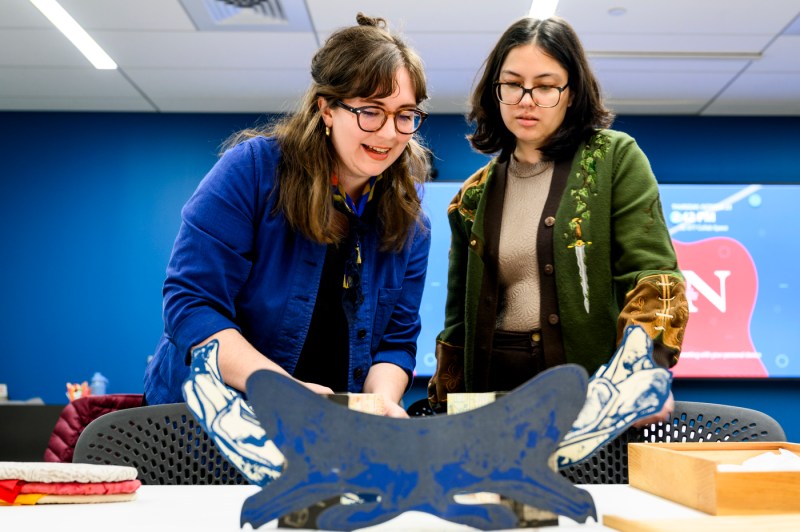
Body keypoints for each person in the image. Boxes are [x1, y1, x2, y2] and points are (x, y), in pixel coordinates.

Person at [144, 13, 431, 418]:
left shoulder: (409, 218)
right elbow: (191, 304)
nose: (389, 133)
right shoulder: (252, 171)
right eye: (371, 111)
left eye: (405, 114)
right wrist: (278, 386)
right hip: (208, 425)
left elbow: (396, 342)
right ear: (327, 109)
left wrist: (381, 400)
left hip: (327, 432)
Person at [428, 16, 688, 418]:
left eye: (546, 86)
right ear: (495, 91)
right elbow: (458, 322)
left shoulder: (614, 158)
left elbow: (652, 276)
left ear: (571, 93)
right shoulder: (471, 196)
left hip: (588, 403)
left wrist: (643, 370)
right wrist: (444, 409)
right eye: (513, 84)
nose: (527, 99)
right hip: (489, 403)